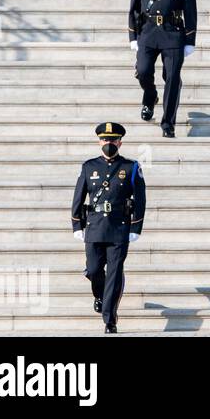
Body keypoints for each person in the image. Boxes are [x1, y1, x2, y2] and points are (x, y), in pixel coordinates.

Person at [71, 123, 146, 333]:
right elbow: (78, 196)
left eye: (113, 140)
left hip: (119, 228)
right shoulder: (88, 166)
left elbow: (140, 199)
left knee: (114, 273)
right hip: (94, 226)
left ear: (120, 142)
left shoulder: (131, 167)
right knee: (94, 269)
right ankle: (100, 295)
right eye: (105, 140)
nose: (109, 143)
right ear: (99, 141)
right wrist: (77, 223)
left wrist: (135, 227)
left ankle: (110, 320)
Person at [129, 0, 197, 137]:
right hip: (148, 32)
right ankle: (150, 97)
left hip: (173, 33)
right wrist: (133, 35)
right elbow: (133, 9)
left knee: (172, 79)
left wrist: (190, 40)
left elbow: (190, 11)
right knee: (142, 71)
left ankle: (168, 124)